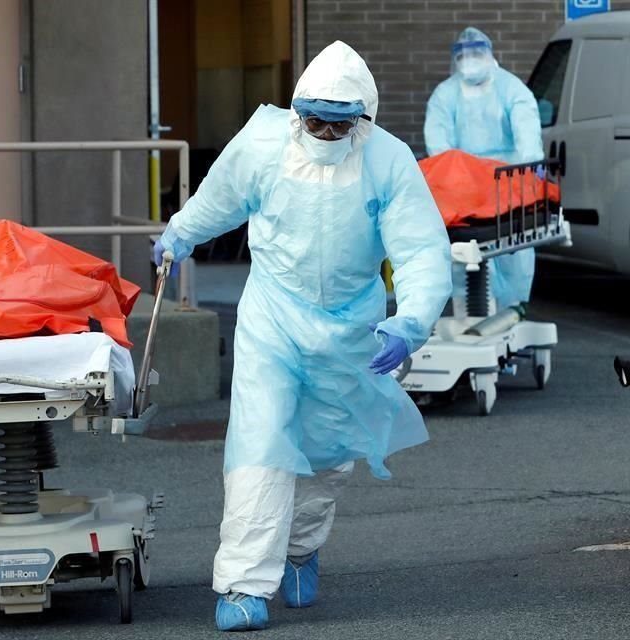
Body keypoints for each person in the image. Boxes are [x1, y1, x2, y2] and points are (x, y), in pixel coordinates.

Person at [152, 41, 452, 632]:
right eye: (312, 118)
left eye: (336, 123)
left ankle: (300, 550)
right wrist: (179, 234)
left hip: (350, 328)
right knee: (260, 447)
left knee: (326, 459)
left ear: (361, 119)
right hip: (273, 317)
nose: (321, 131)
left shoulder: (388, 161)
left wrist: (409, 322)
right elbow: (219, 199)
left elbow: (420, 249)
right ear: (296, 111)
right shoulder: (263, 142)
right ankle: (244, 585)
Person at [424, 27, 544, 313]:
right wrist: (457, 177)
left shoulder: (512, 90)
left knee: (512, 256)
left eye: (477, 53)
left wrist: (529, 172)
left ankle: (513, 311)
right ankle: (468, 313)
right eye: (464, 55)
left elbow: (528, 138)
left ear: (490, 55)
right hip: (464, 188)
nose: (471, 59)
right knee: (462, 260)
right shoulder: (445, 95)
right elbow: (439, 146)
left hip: (507, 185)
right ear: (456, 59)